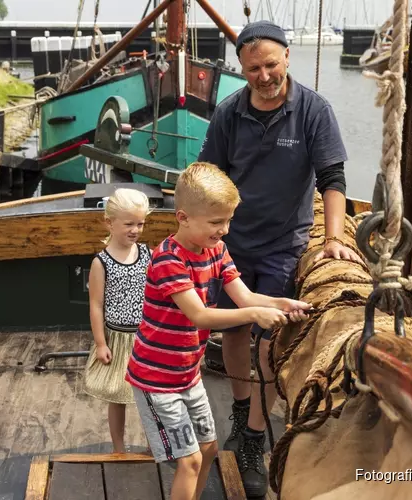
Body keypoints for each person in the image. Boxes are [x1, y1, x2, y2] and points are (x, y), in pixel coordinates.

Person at [196, 20, 362, 497]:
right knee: (231, 328)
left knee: (270, 339)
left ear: (287, 57)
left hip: (282, 245)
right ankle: (239, 405)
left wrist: (333, 237)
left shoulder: (313, 110)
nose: (264, 76)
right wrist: (200, 233)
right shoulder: (229, 114)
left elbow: (332, 176)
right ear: (241, 69)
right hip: (229, 242)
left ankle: (251, 434)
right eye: (253, 69)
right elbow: (210, 175)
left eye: (271, 64)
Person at [126, 162, 311, 500]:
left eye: (228, 220)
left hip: (188, 375)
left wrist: (281, 303)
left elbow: (246, 296)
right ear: (183, 217)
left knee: (209, 451)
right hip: (157, 380)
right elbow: (199, 316)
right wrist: (255, 313)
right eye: (215, 222)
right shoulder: (169, 260)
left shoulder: (216, 250)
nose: (224, 229)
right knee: (191, 461)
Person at [84, 188, 152, 453]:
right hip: (118, 337)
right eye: (129, 224)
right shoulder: (101, 263)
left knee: (150, 397)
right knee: (117, 396)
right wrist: (101, 343)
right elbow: (96, 305)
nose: (136, 229)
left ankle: (151, 446)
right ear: (109, 223)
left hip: (145, 337)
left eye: (141, 223)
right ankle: (119, 447)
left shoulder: (147, 254)